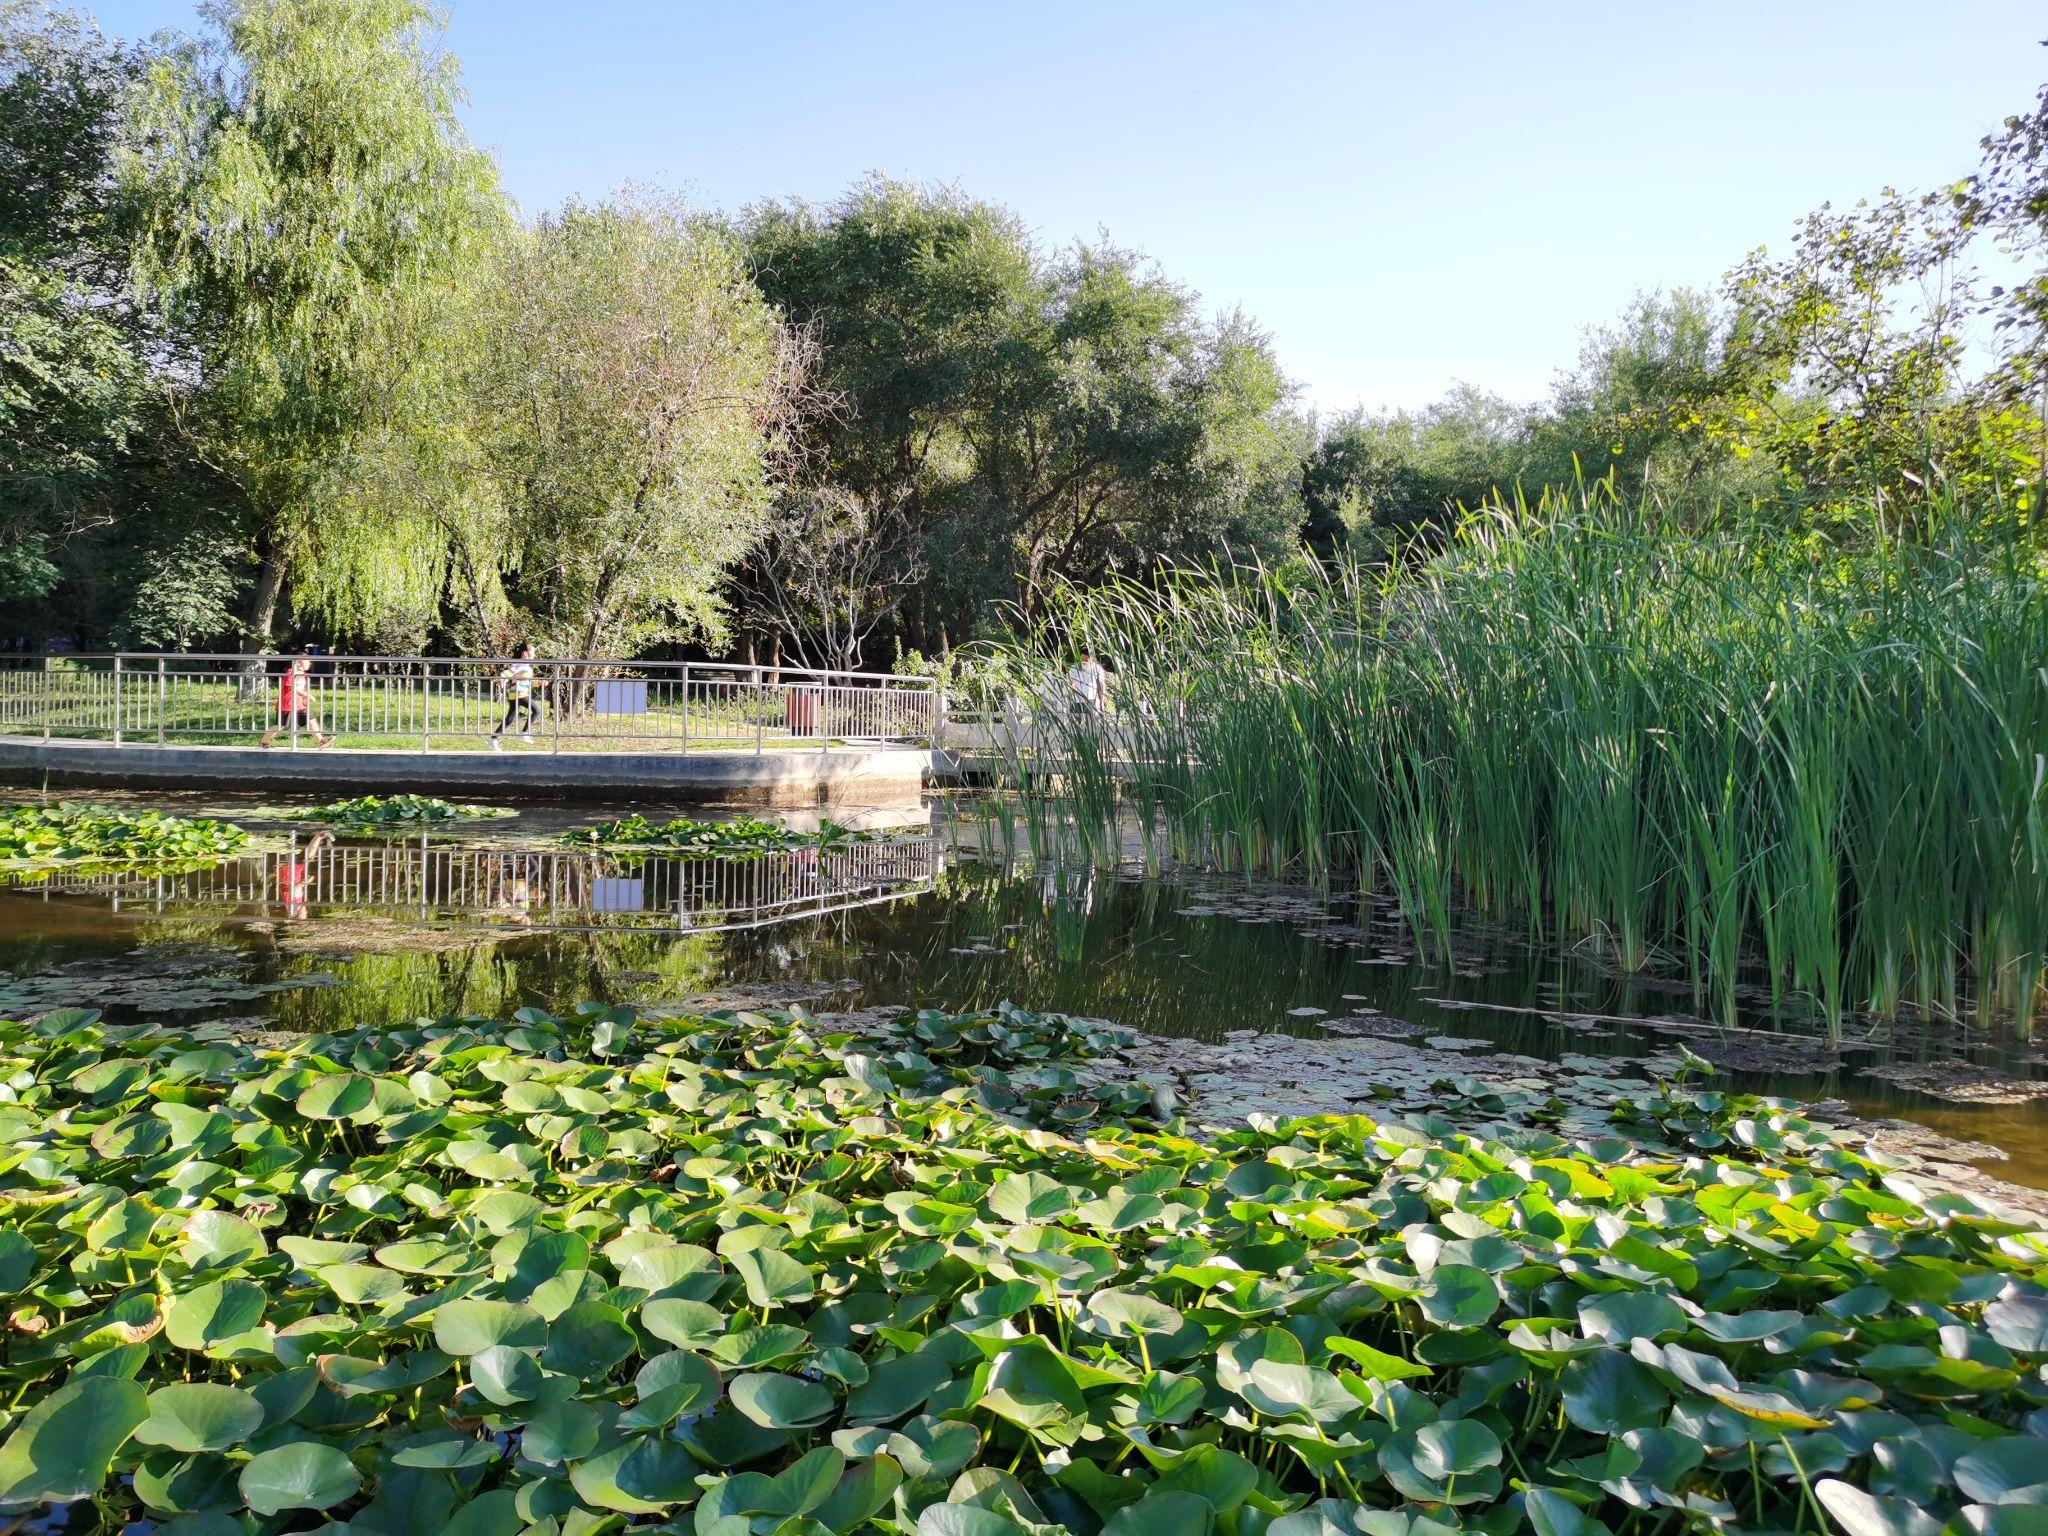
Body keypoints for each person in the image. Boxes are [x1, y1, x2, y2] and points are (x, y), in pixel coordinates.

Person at [260, 650, 331, 748]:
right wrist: (309, 695)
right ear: (298, 661)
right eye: (307, 661)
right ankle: (264, 742)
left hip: (297, 704)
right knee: (280, 725)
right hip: (287, 704)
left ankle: (321, 741)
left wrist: (304, 698)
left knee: (311, 720)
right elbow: (294, 688)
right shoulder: (292, 672)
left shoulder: (300, 673)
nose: (310, 663)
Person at [490, 643, 540, 750]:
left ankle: (493, 738)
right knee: (536, 711)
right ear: (525, 653)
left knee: (509, 719)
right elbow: (507, 673)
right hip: (519, 694)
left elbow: (527, 681)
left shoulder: (526, 666)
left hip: (516, 695)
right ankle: (524, 733)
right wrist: (502, 680)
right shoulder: (520, 664)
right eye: (533, 651)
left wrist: (539, 683)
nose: (535, 654)